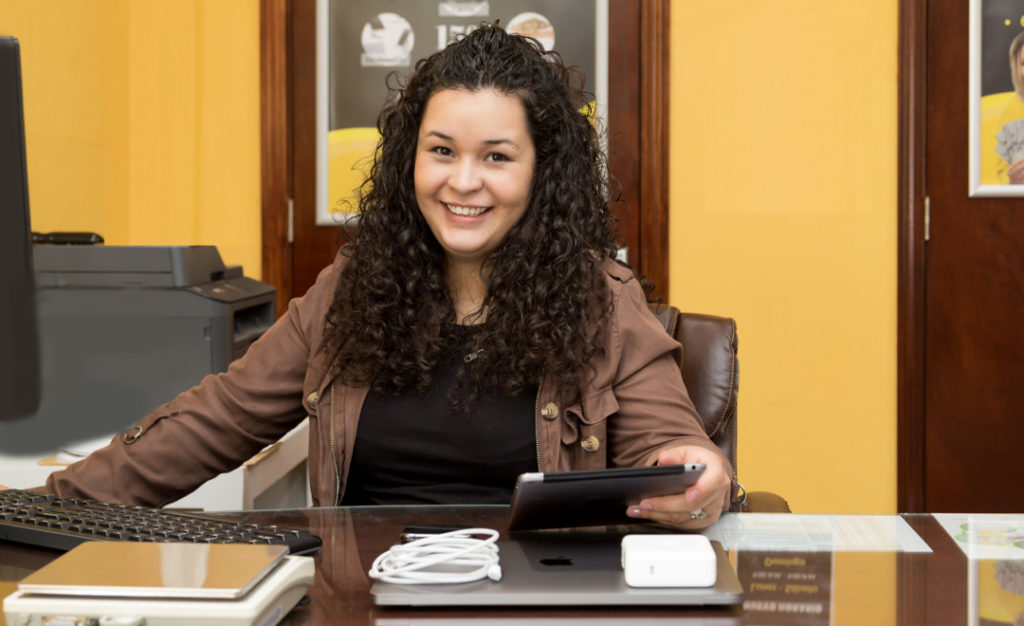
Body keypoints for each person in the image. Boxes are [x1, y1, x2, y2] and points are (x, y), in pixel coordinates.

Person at [38, 24, 734, 529]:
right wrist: (47, 508)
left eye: (496, 157)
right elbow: (216, 420)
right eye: (442, 151)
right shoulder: (352, 289)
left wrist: (694, 475)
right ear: (411, 159)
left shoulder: (600, 301)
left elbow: (671, 446)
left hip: (532, 598)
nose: (463, 181)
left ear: (541, 175)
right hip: (361, 597)